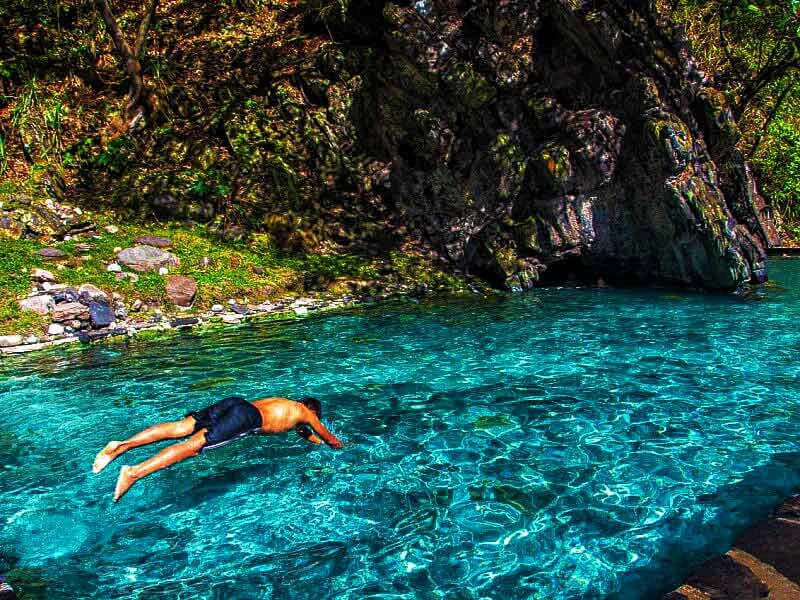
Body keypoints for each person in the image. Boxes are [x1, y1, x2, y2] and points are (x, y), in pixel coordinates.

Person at [92, 395, 344, 502]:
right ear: (312, 410)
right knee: (191, 447)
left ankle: (121, 446)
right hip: (246, 420)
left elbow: (305, 434)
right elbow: (330, 439)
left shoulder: (285, 405)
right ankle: (133, 473)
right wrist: (343, 448)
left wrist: (314, 442)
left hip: (236, 403)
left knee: (182, 427)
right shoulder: (307, 414)